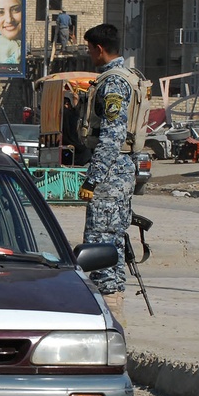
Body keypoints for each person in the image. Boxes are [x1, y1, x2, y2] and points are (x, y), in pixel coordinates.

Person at [78, 23, 136, 326]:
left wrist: (93, 178)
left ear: (99, 49)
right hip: (121, 173)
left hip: (110, 175)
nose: (89, 55)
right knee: (112, 244)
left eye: (89, 49)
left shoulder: (113, 83)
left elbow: (113, 135)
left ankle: (112, 321)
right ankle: (114, 318)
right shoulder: (126, 77)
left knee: (101, 247)